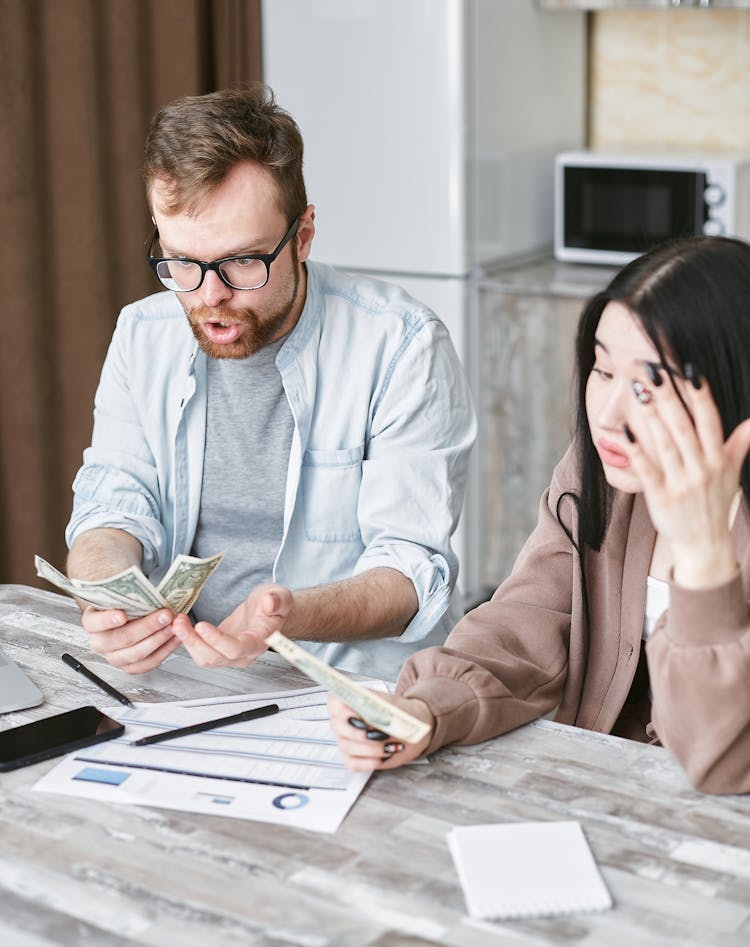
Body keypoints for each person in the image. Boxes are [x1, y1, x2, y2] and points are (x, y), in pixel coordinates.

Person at [65, 85, 476, 682]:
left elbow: (412, 571)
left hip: (349, 686)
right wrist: (105, 596)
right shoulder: (142, 332)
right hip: (180, 677)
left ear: (303, 236)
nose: (209, 296)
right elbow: (114, 499)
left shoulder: (402, 344)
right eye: (181, 261)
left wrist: (284, 617)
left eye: (241, 261)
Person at [329, 235, 750, 795]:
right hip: (601, 798)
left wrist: (702, 560)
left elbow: (720, 760)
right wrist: (426, 708)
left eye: (648, 382)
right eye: (602, 371)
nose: (609, 413)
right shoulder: (602, 471)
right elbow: (528, 616)